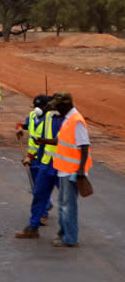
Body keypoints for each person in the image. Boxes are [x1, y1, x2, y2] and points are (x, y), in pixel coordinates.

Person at [15, 95, 62, 238]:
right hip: (44, 163)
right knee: (39, 193)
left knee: (65, 200)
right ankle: (34, 225)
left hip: (62, 165)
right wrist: (30, 157)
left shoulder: (65, 120)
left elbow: (60, 141)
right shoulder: (43, 118)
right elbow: (39, 141)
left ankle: (66, 233)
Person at [50, 92, 92, 247]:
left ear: (66, 105)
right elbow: (62, 141)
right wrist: (44, 141)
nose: (57, 110)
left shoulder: (77, 121)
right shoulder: (68, 119)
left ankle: (70, 238)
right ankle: (64, 232)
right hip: (64, 169)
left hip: (72, 171)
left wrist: (80, 170)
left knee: (68, 205)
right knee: (63, 204)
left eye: (58, 107)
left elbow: (84, 146)